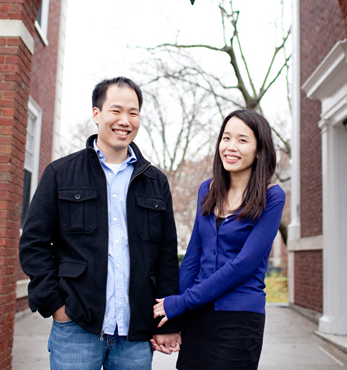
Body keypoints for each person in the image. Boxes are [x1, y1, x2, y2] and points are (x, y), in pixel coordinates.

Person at [20, 77, 182, 370]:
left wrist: (165, 322)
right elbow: (34, 245)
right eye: (116, 110)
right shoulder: (61, 173)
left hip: (135, 334)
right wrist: (57, 306)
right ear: (96, 114)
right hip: (76, 328)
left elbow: (166, 260)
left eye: (133, 112)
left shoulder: (155, 182)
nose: (125, 120)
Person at [152, 109, 286, 370]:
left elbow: (244, 264)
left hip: (240, 320)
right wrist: (175, 317)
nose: (231, 147)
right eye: (226, 138)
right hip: (198, 317)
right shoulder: (207, 189)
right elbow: (193, 257)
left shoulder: (272, 196)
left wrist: (182, 301)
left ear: (260, 149)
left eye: (242, 140)